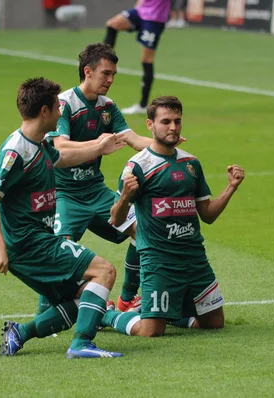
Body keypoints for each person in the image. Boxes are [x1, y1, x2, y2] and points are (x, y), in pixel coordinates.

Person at [0, 77, 127, 359]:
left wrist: (98, 148)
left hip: (37, 241)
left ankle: (19, 333)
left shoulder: (38, 143)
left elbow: (60, 158)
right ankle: (81, 344)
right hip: (30, 243)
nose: (62, 113)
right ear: (44, 112)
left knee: (82, 297)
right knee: (105, 271)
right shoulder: (16, 151)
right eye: (57, 108)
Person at [104, 96, 245, 337]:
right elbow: (116, 220)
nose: (173, 127)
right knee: (150, 331)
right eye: (166, 121)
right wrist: (126, 195)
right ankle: (103, 314)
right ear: (150, 125)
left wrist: (231, 187)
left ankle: (168, 313)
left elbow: (208, 215)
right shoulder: (137, 165)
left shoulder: (191, 163)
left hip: (193, 258)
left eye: (177, 121)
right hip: (159, 261)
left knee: (213, 323)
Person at [41, 43, 154, 315]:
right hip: (65, 195)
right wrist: (98, 145)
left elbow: (133, 139)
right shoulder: (65, 104)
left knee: (144, 231)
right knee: (58, 252)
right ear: (88, 71)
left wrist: (166, 145)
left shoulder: (107, 107)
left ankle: (127, 299)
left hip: (96, 192)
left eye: (114, 74)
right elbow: (60, 147)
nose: (111, 80)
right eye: (106, 73)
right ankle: (46, 314)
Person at [104, 0, 172, 115]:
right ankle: (106, 61)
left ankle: (143, 104)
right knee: (112, 24)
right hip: (140, 12)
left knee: (147, 59)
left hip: (154, 18)